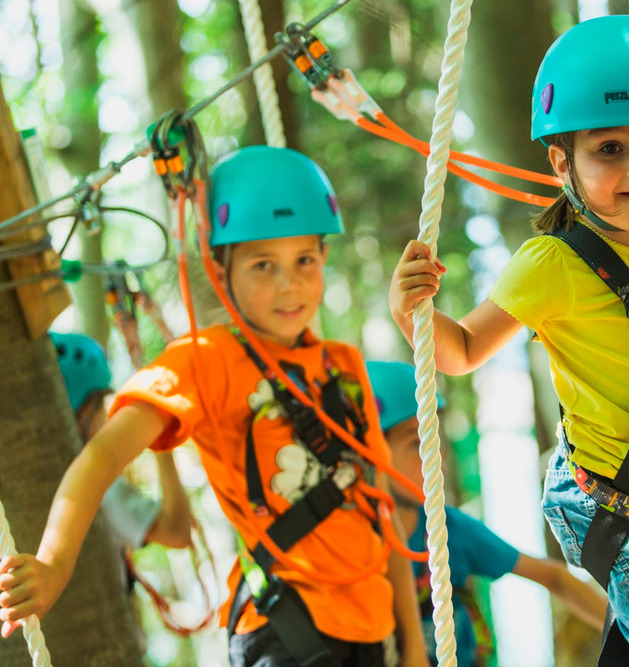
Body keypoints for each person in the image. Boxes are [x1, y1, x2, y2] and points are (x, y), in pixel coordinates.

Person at [388, 15, 629, 666]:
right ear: (563, 162)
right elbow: (459, 352)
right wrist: (411, 310)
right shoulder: (552, 265)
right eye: (610, 150)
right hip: (621, 504)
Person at [0, 146, 428, 667]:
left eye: (304, 260)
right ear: (222, 273)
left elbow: (378, 506)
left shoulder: (344, 366)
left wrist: (410, 648)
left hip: (372, 634)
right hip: (286, 631)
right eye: (262, 265)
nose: (287, 284)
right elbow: (103, 457)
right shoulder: (207, 360)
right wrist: (53, 563)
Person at [366, 360, 607, 667]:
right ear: (368, 454)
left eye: (436, 441)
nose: (436, 456)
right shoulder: (350, 541)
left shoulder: (449, 531)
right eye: (416, 444)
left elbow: (555, 578)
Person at [50, 330, 194, 562]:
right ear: (85, 413)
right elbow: (176, 532)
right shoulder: (93, 480)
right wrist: (161, 444)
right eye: (100, 409)